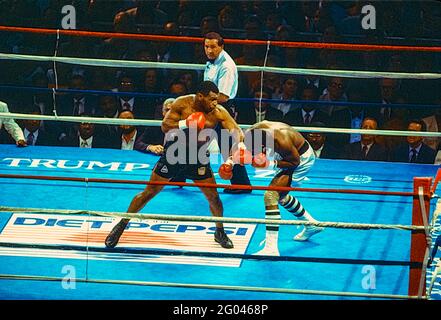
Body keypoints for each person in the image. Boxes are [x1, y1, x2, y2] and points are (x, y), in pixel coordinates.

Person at [105, 81, 246, 249]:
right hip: (174, 154)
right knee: (149, 193)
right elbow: (165, 126)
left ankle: (220, 232)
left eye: (216, 99)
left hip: (198, 157)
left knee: (214, 197)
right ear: (200, 96)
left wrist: (238, 149)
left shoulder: (218, 112)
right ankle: (121, 225)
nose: (215, 103)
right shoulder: (182, 103)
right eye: (211, 99)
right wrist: (186, 123)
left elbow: (236, 130)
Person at [245, 120, 324, 256]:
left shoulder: (281, 141)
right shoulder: (253, 132)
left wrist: (269, 163)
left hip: (299, 159)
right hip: (285, 154)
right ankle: (311, 225)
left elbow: (294, 161)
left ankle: (271, 249)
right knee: (281, 196)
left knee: (271, 196)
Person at [203, 31, 252, 194]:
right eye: (206, 46)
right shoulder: (211, 62)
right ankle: (241, 183)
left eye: (213, 47)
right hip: (210, 107)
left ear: (221, 47)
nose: (209, 50)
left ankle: (242, 184)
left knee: (228, 146)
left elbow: (223, 96)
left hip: (221, 108)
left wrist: (201, 101)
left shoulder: (226, 65)